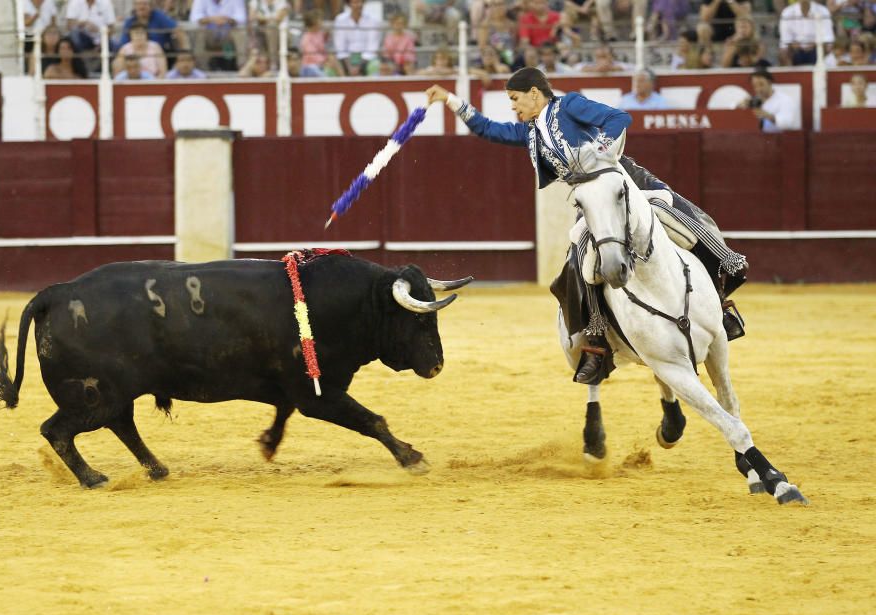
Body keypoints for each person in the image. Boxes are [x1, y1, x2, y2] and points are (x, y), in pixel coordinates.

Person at [425, 68, 748, 384]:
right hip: (592, 202)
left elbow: (619, 118)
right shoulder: (531, 133)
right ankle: (597, 338)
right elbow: (488, 129)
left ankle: (723, 292)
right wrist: (450, 99)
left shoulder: (569, 105)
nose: (513, 106)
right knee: (580, 256)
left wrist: (601, 151)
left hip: (626, 181)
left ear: (534, 93)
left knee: (677, 217)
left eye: (515, 98)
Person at [189, 0, 248, 71]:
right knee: (199, 33)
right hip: (209, 35)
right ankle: (201, 69)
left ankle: (242, 67)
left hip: (228, 36)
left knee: (241, 32)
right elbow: (194, 18)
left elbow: (242, 18)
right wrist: (211, 19)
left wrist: (227, 20)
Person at [779, 0, 835, 65]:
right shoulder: (787, 12)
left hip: (817, 48)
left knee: (825, 50)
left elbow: (828, 40)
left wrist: (815, 44)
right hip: (796, 51)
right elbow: (785, 41)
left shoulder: (823, 11)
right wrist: (793, 44)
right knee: (784, 53)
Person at [121, 0, 189, 53]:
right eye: (138, 4)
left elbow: (178, 30)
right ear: (134, 6)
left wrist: (185, 53)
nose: (141, 7)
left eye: (144, 4)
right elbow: (123, 45)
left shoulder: (159, 16)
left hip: (159, 55)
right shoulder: (129, 21)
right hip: (135, 57)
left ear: (151, 6)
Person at [333, 0, 381, 72]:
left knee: (376, 66)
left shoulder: (373, 20)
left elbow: (372, 46)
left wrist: (360, 66)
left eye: (360, 2)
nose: (359, 5)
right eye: (355, 2)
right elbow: (340, 46)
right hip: (347, 58)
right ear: (349, 4)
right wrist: (349, 65)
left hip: (366, 58)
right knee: (330, 68)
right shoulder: (340, 20)